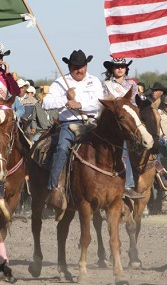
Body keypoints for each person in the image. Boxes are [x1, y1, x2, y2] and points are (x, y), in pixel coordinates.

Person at [43, 49, 104, 214]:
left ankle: (123, 186)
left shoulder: (95, 81)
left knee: (114, 146)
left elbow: (100, 104)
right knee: (62, 148)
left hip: (93, 123)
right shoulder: (60, 82)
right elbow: (46, 104)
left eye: (82, 66)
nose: (80, 70)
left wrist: (80, 105)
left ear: (86, 65)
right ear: (69, 67)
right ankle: (53, 188)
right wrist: (66, 100)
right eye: (76, 66)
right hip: (69, 124)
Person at [101, 57, 144, 199]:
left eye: (123, 66)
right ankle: (127, 185)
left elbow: (134, 103)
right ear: (112, 69)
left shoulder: (132, 84)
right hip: (113, 122)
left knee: (150, 140)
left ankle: (158, 174)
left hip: (130, 120)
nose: (120, 69)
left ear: (126, 68)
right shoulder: (106, 85)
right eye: (117, 66)